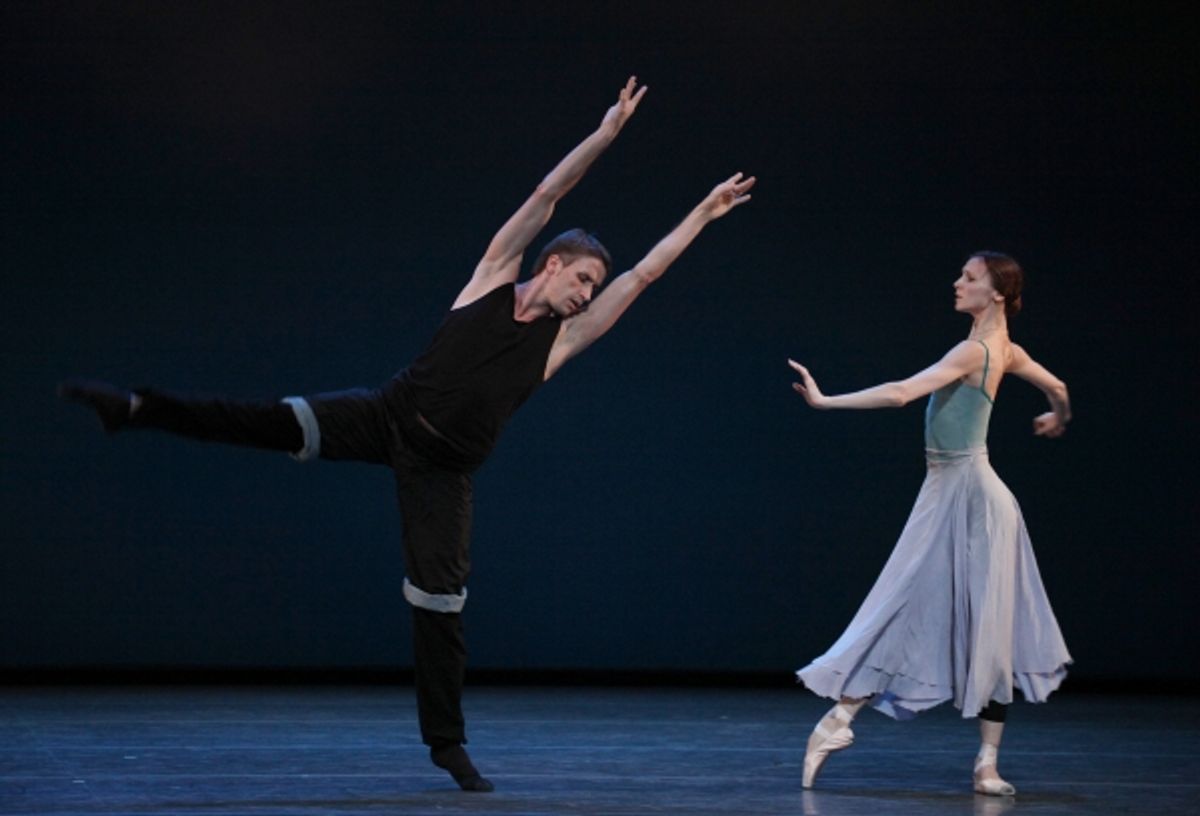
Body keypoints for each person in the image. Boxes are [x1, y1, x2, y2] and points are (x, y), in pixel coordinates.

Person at [59, 76, 755, 793]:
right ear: (550, 264)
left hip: (444, 474)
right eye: (581, 277)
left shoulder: (562, 340)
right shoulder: (491, 275)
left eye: (590, 285)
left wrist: (702, 213)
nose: (585, 292)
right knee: (264, 419)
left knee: (440, 604)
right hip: (387, 414)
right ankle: (137, 408)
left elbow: (642, 277)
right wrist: (606, 135)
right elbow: (548, 195)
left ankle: (446, 745)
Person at [787, 251, 1071, 796]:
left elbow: (901, 393)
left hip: (971, 497)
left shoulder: (975, 350)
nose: (957, 283)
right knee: (927, 606)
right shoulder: (1005, 349)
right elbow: (1057, 386)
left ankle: (850, 724)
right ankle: (850, 724)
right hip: (959, 490)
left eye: (969, 277)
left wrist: (825, 402)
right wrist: (1056, 415)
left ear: (995, 293)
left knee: (960, 617)